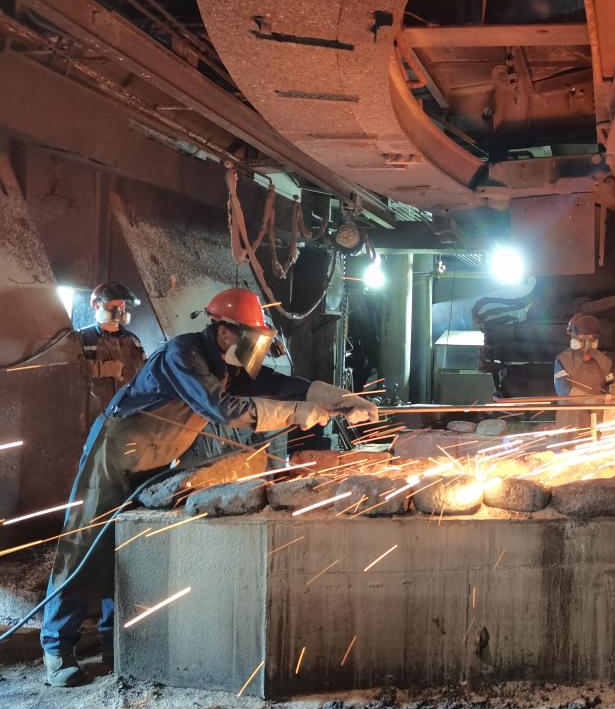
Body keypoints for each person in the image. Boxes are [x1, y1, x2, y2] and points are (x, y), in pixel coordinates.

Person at [40, 287, 378, 687]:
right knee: (85, 544)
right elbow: (224, 409)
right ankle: (57, 649)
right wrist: (297, 413)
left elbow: (270, 382)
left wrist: (331, 396)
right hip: (115, 452)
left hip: (155, 457)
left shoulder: (225, 362)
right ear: (224, 330)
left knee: (130, 544)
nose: (253, 349)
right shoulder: (183, 355)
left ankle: (116, 641)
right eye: (250, 339)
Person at [81, 282, 147, 420]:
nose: (119, 312)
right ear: (96, 305)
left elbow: (146, 372)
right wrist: (100, 369)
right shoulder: (84, 338)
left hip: (131, 414)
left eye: (121, 307)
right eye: (113, 307)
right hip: (97, 417)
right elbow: (69, 375)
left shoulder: (133, 340)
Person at [553, 314, 615, 430]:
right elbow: (563, 390)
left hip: (596, 419)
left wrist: (614, 390)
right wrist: (589, 400)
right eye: (581, 340)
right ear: (574, 338)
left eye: (590, 340)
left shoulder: (604, 362)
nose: (587, 345)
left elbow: (610, 383)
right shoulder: (562, 360)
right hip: (570, 420)